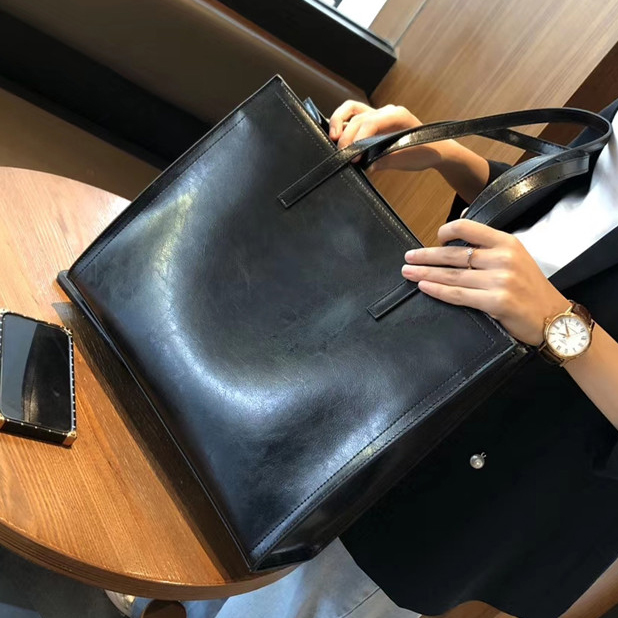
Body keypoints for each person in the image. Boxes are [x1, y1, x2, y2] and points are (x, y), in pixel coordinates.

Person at [109, 98, 618, 618]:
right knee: (204, 551)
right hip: (392, 375)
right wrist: (448, 155)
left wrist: (559, 322)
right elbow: (568, 225)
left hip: (467, 469)